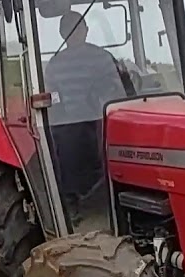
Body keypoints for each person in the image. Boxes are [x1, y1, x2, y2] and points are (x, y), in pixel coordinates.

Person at [42, 11, 131, 217]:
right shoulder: (56, 64)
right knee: (65, 147)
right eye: (69, 29)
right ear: (62, 33)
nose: (74, 33)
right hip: (70, 124)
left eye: (78, 28)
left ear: (86, 30)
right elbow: (53, 97)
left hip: (98, 120)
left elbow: (117, 91)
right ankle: (72, 203)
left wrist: (98, 99)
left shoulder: (102, 58)